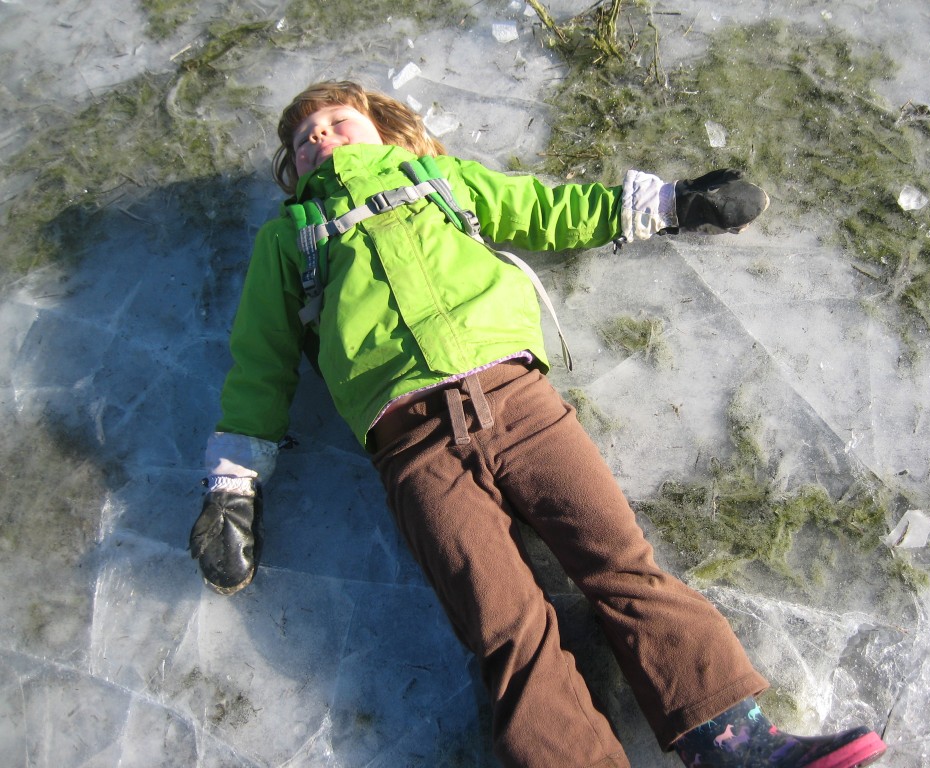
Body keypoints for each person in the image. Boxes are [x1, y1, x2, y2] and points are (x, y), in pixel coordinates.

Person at [188, 80, 886, 768]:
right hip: (412, 449)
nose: (320, 138)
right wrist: (233, 489)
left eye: (337, 121)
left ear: (382, 126)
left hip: (519, 402)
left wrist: (672, 203)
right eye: (304, 137)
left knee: (622, 566)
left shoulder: (441, 180)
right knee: (507, 631)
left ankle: (735, 743)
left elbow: (546, 210)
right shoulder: (289, 240)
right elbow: (262, 364)